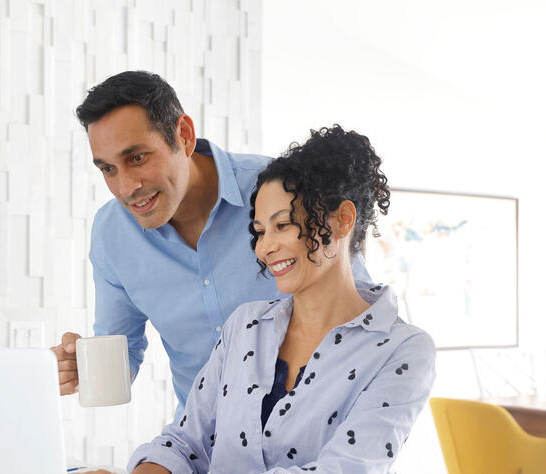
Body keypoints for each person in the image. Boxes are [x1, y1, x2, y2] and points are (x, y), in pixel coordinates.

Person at [67, 126, 436, 474]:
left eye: (283, 226)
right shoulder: (246, 327)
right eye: (260, 231)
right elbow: (186, 441)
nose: (265, 247)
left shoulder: (402, 350)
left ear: (342, 219)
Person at [51, 71, 368, 415]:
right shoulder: (111, 234)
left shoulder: (282, 192)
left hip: (313, 431)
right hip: (202, 448)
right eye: (108, 169)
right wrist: (84, 369)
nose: (126, 187)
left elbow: (358, 307)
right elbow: (121, 351)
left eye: (138, 158)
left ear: (184, 136)